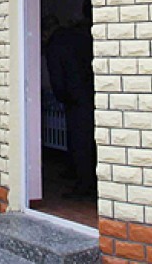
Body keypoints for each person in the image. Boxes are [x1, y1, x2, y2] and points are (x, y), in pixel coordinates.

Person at [43, 11, 96, 200]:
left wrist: (62, 97)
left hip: (74, 99)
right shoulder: (80, 36)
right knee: (89, 140)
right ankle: (89, 179)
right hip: (92, 94)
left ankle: (83, 184)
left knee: (78, 141)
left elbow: (57, 78)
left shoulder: (54, 45)